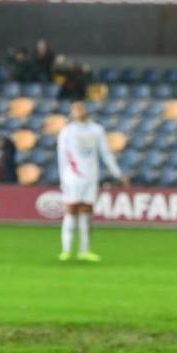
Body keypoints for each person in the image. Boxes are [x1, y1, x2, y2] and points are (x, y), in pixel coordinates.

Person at [57, 101, 128, 262]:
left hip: (90, 176)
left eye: (80, 108)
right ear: (72, 112)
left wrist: (117, 173)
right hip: (72, 177)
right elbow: (61, 156)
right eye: (75, 109)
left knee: (86, 212)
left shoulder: (97, 130)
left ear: (85, 110)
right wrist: (62, 178)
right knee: (71, 210)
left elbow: (105, 153)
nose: (78, 111)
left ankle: (84, 250)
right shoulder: (67, 131)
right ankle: (66, 250)